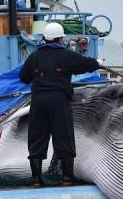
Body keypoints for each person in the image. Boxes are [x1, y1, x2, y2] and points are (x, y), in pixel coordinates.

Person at [19, 23, 102, 187]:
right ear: (59, 39)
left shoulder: (34, 56)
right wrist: (97, 63)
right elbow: (84, 64)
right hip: (59, 100)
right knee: (64, 136)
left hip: (38, 101)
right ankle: (67, 178)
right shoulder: (65, 55)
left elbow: (23, 77)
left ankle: (36, 179)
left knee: (37, 137)